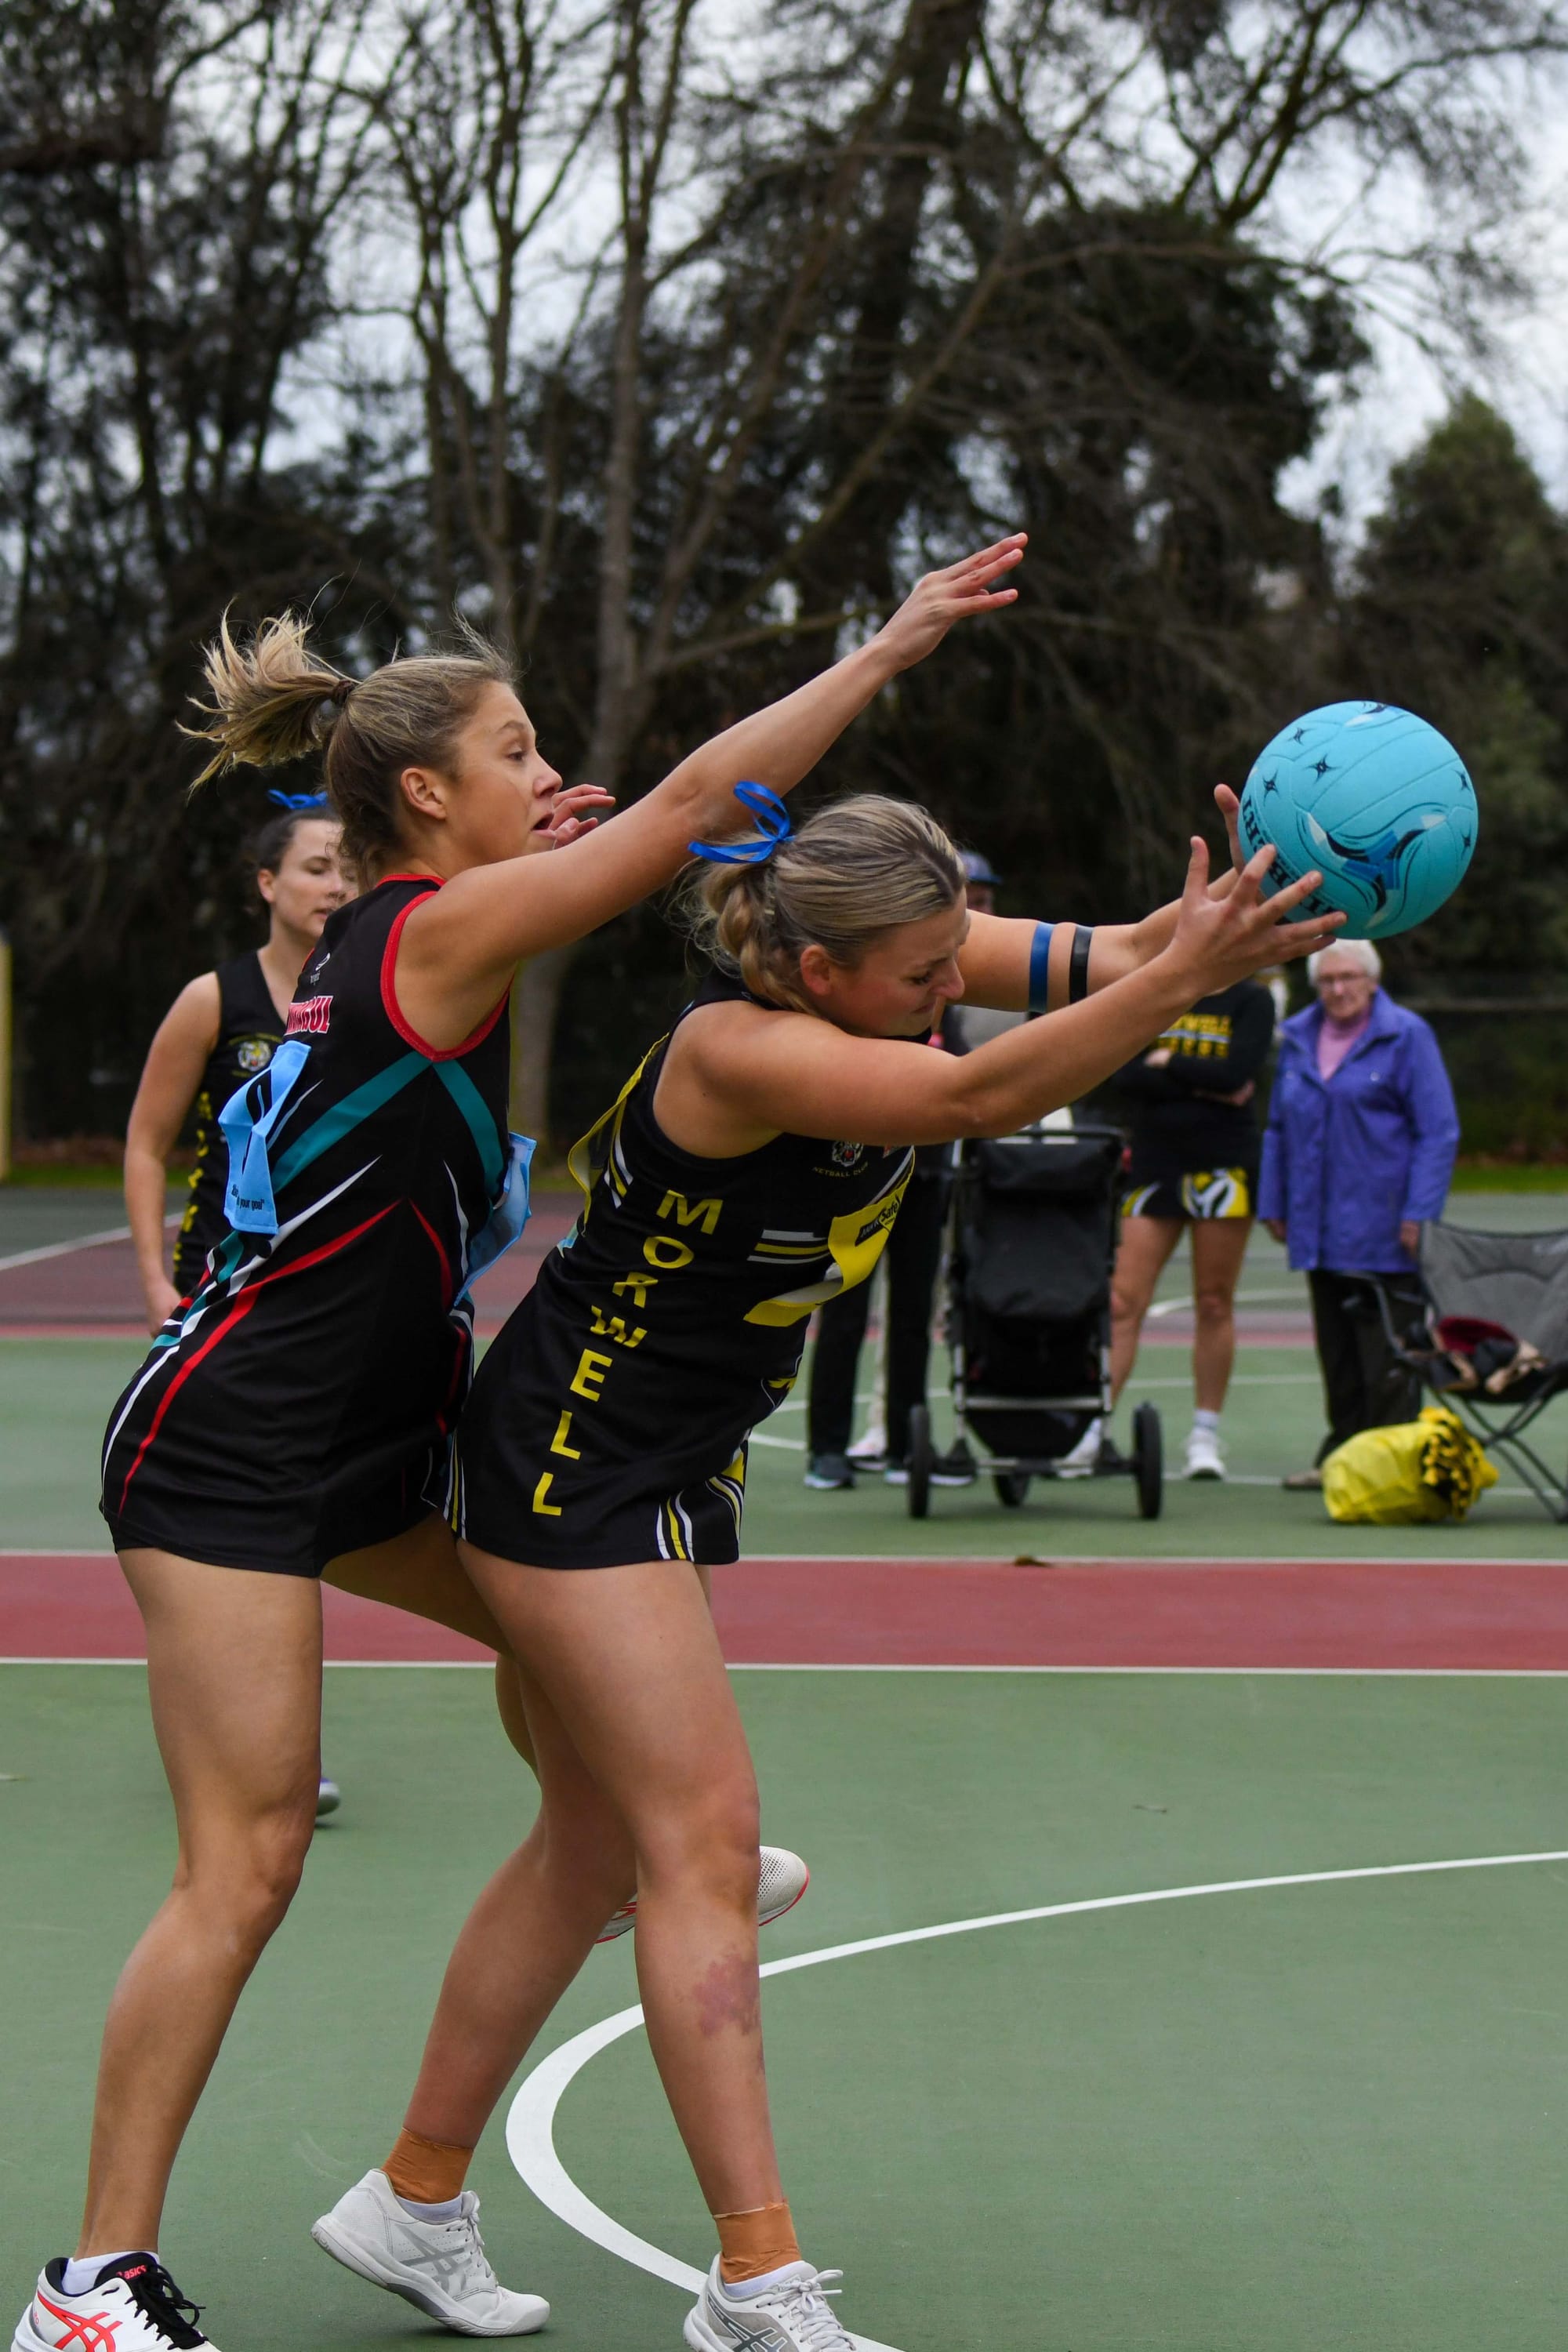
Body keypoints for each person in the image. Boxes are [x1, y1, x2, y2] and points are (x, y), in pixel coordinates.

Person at [15, 536, 1027, 2352]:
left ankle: (525, 2049)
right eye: (515, 747)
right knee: (245, 1854)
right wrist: (879, 647)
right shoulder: (431, 928)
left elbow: (685, 834)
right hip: (234, 1445)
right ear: (426, 793)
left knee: (592, 1690)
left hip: (371, 1435)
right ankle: (92, 2281)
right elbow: (710, 796)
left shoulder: (443, 920)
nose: (546, 770)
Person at [310, 793, 1341, 2352]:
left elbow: (1115, 952)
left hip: (654, 1453)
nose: (948, 989)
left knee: (595, 1852)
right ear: (811, 964)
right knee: (705, 1850)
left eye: (953, 960)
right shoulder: (734, 1047)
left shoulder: (883, 947)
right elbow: (987, 1089)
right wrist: (1172, 985)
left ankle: (415, 2197)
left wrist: (1215, 928)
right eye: (921, 975)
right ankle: (755, 2283)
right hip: (574, 1460)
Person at [803, 850, 1010, 1490]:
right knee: (843, 1310)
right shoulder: (867, 1008)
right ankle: (828, 1450)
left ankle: (901, 1443)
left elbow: (975, 1080)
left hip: (928, 1177)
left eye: (982, 897)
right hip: (856, 1177)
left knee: (915, 1311)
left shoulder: (950, 1011)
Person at [125, 800, 350, 1334]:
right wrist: (154, 1281)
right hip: (217, 1275)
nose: (337, 886)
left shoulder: (374, 997)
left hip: (332, 1276)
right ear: (268, 883)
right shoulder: (211, 1000)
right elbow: (146, 1147)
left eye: (349, 869)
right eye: (317, 869)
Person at [1259, 937, 1461, 1489]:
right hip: (1318, 1227)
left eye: (1348, 978)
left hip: (1385, 1227)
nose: (1338, 990)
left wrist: (1420, 1211)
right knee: (1339, 1353)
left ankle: (1393, 1467)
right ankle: (1342, 1459)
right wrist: (1273, 1202)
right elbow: (1277, 1127)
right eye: (1327, 980)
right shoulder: (1298, 1038)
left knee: (1389, 1355)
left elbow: (1437, 1132)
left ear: (1372, 981)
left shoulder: (1407, 1037)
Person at [1066, 978, 1276, 1480]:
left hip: (1223, 1164)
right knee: (1122, 1301)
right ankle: (1093, 1431)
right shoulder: (1166, 990)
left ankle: (1205, 1435)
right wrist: (1202, 1080)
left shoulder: (1252, 1000)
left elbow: (1239, 1074)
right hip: (1156, 1162)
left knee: (1212, 1300)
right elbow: (1127, 1074)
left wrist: (1170, 1065)